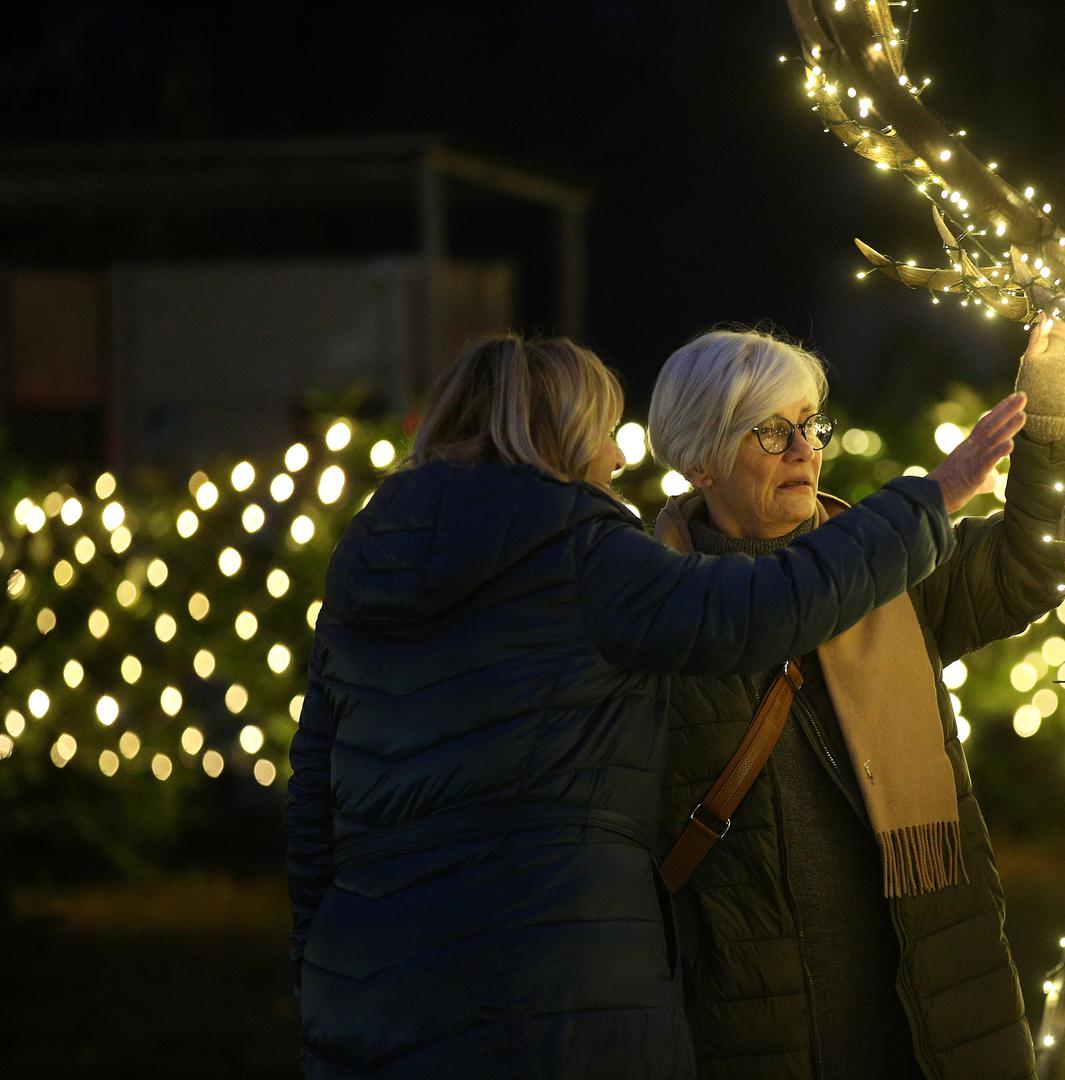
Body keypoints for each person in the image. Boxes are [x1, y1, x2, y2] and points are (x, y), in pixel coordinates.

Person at [284, 332, 1025, 1079]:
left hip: (369, 988)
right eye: (604, 432)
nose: (615, 458)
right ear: (564, 437)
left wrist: (320, 970)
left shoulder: (367, 557)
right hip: (560, 989)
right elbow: (754, 608)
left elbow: (313, 793)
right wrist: (932, 496)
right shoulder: (581, 549)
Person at [647, 324, 1065, 1080]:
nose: (803, 449)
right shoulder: (651, 610)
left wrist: (1047, 420)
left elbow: (1028, 565)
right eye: (769, 431)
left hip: (927, 1000)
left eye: (810, 424)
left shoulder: (890, 560)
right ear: (698, 460)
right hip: (750, 1019)